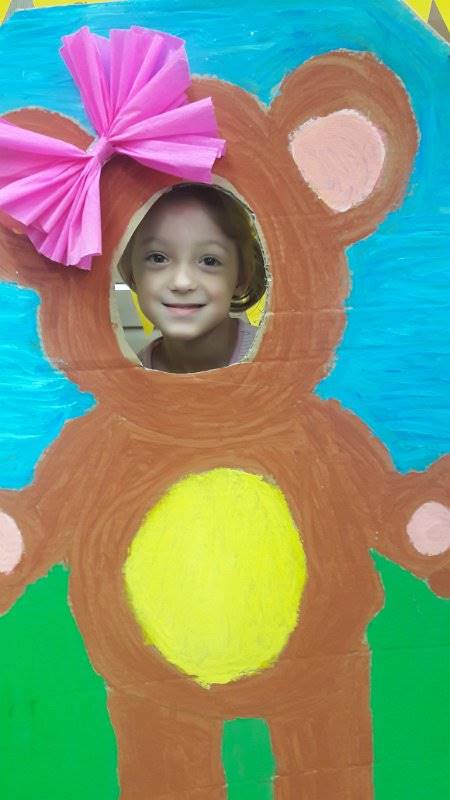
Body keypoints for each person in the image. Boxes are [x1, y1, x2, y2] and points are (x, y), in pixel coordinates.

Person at [119, 184, 267, 373]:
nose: (182, 283)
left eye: (210, 261)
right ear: (131, 273)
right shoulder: (130, 379)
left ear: (242, 278)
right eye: (158, 258)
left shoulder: (274, 360)